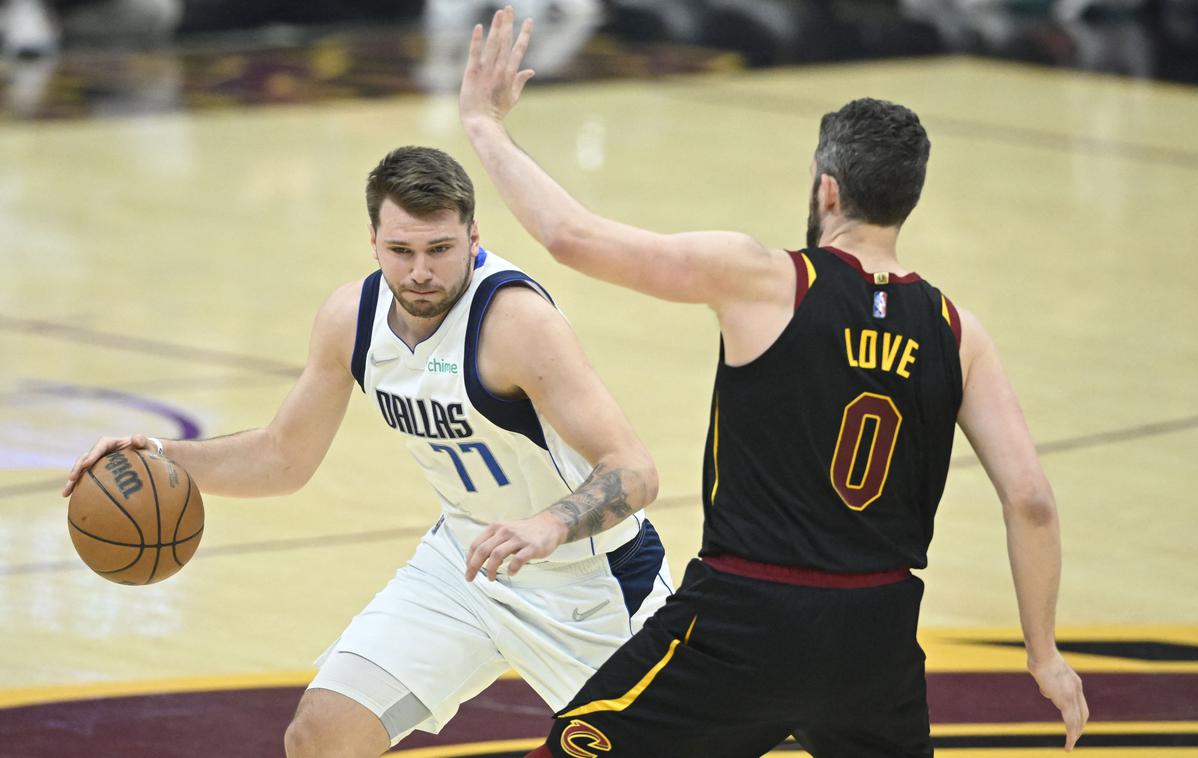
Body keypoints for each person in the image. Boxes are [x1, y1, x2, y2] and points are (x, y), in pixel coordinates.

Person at [457, 8, 1088, 757]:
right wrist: (1042, 651)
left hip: (748, 616)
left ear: (827, 189)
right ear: (907, 199)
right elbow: (1032, 502)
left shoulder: (767, 280)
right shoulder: (956, 330)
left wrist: (484, 125)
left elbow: (573, 237)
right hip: (875, 633)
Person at [62, 145, 674, 758]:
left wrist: (549, 524)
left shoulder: (516, 323)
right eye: (400, 251)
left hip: (590, 585)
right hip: (464, 568)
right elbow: (282, 457)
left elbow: (634, 471)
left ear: (472, 236)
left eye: (440, 250)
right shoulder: (352, 318)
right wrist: (161, 455)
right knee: (322, 735)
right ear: (374, 241)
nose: (420, 272)